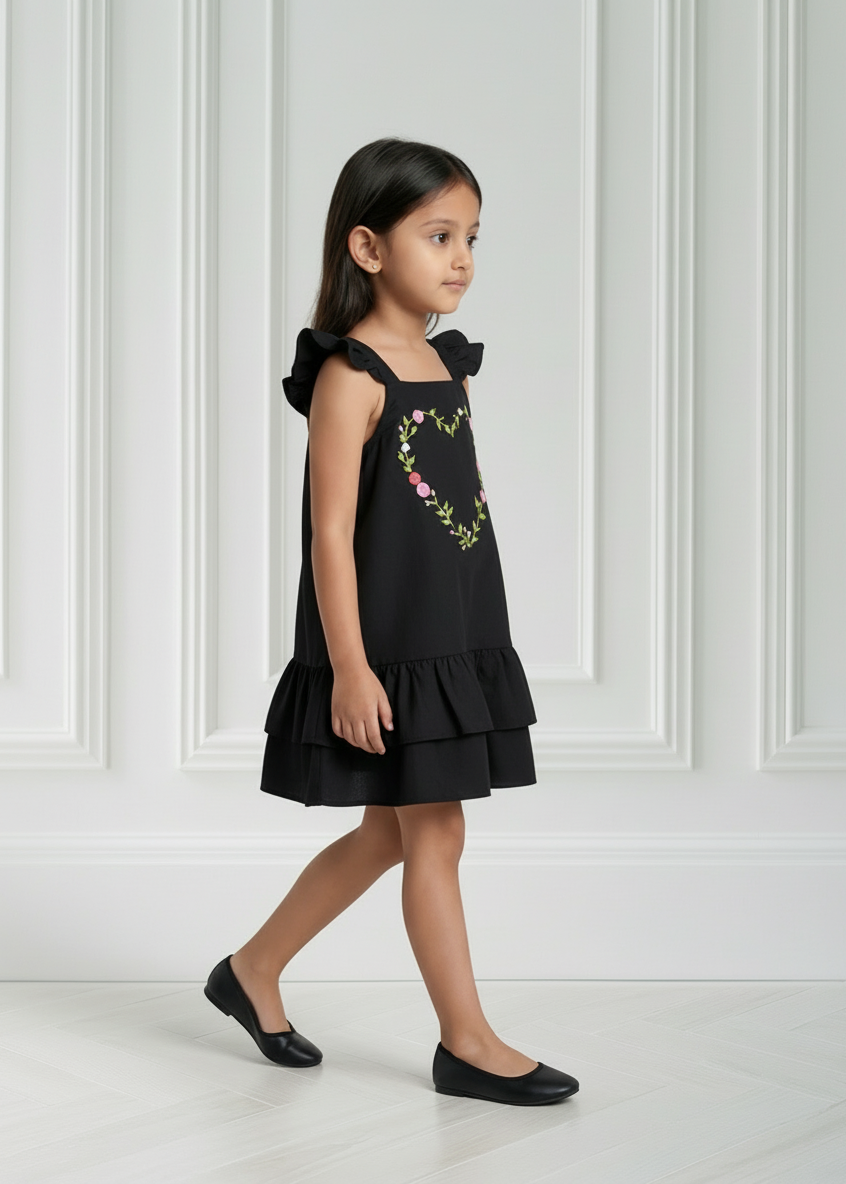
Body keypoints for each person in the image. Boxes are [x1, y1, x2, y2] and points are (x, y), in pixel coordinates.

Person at [205, 138, 579, 1107]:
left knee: (391, 835)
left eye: (472, 238)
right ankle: (467, 1041)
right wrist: (351, 667)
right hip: (390, 647)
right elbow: (329, 534)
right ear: (368, 248)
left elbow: (450, 509)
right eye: (438, 235)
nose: (462, 258)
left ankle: (251, 967)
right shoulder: (351, 375)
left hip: (450, 633)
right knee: (436, 831)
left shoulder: (447, 366)